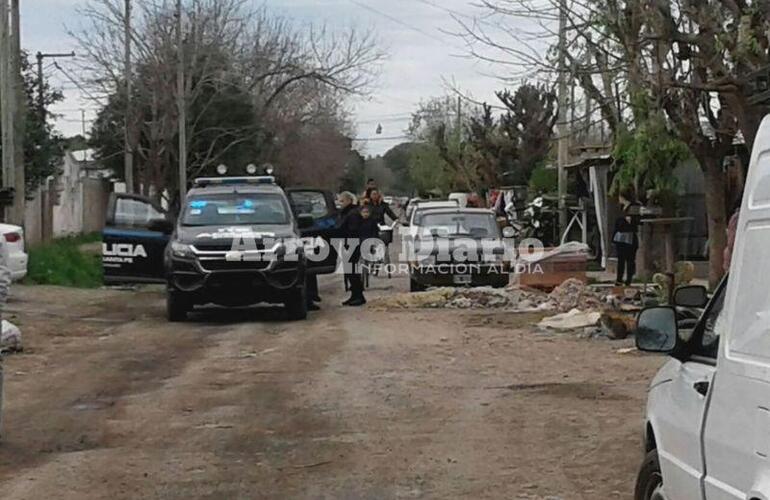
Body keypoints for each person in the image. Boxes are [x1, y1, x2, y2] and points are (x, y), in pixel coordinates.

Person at [337, 192, 366, 306]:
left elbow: (353, 230)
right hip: (348, 243)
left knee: (352, 271)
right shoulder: (347, 212)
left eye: (342, 201)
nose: (340, 204)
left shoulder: (352, 213)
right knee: (349, 271)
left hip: (352, 244)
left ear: (349, 200)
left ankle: (359, 296)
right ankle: (354, 295)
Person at [613, 191, 641, 286]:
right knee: (620, 259)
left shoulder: (634, 207)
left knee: (630, 259)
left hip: (629, 236)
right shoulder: (621, 208)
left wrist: (628, 221)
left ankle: (629, 279)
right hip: (620, 236)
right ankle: (619, 279)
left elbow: (635, 221)